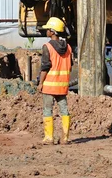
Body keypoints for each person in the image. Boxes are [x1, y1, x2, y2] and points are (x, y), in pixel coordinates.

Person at [38, 17, 73, 145]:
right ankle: (65, 138)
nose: (46, 31)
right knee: (64, 110)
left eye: (48, 29)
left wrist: (40, 83)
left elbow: (45, 67)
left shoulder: (47, 47)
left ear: (52, 31)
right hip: (62, 85)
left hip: (49, 85)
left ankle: (49, 138)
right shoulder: (68, 47)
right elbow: (70, 65)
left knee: (48, 110)